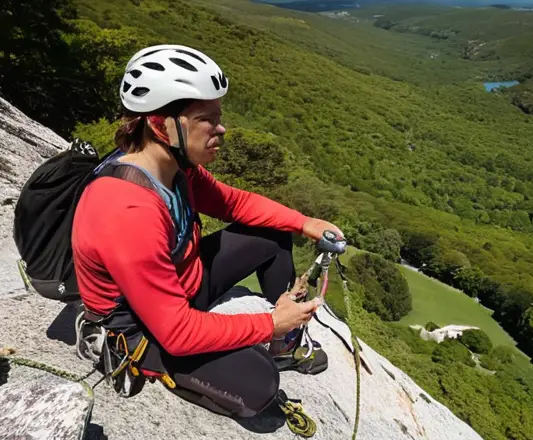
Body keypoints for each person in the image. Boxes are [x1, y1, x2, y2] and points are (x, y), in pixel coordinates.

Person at [71, 44, 340, 418]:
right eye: (205, 119)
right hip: (145, 328)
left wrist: (305, 223)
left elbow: (235, 204)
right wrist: (268, 323)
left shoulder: (172, 168)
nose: (221, 128)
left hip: (184, 284)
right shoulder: (127, 209)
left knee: (273, 233)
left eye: (218, 116)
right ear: (159, 124)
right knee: (260, 388)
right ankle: (271, 337)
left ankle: (283, 343)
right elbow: (176, 333)